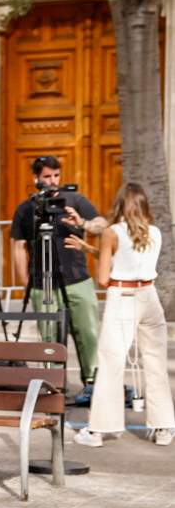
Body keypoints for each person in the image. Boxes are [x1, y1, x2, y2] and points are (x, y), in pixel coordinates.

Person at [78, 183, 173, 447]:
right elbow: (130, 261)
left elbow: (104, 278)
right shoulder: (155, 232)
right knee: (155, 364)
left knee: (111, 362)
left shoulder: (111, 232)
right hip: (149, 297)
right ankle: (163, 428)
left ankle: (100, 430)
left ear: (120, 204)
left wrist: (96, 252)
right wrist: (91, 249)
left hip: (123, 298)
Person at [11, 155, 106, 404]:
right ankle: (53, 386)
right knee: (49, 338)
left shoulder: (74, 201)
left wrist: (82, 221)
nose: (53, 181)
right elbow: (19, 247)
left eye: (56, 175)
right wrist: (27, 286)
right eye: (47, 177)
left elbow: (101, 224)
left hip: (78, 280)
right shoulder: (26, 208)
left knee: (88, 333)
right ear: (36, 179)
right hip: (43, 284)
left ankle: (92, 385)